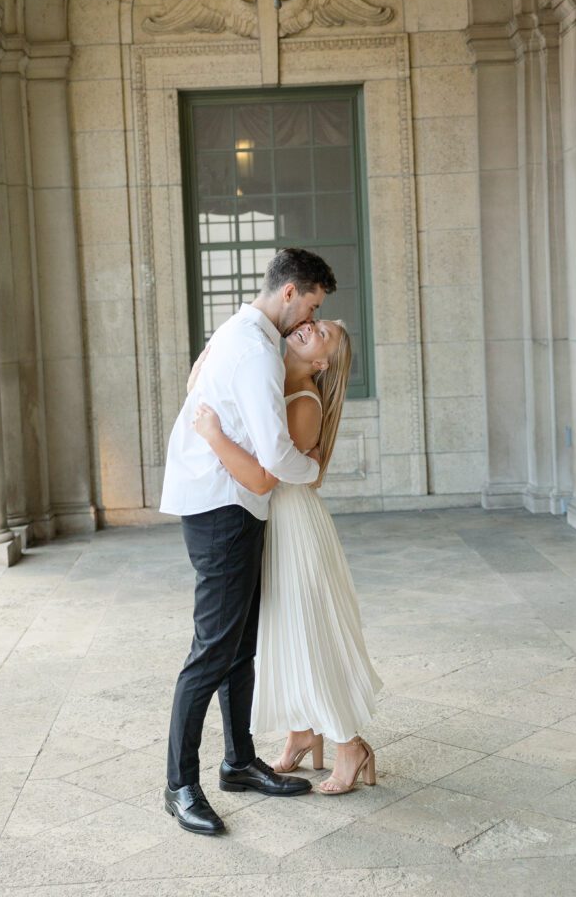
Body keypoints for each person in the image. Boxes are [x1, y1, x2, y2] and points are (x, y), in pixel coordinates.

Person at [160, 248, 337, 835]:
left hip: (235, 503)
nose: (310, 317)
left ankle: (238, 762)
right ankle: (180, 786)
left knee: (239, 648)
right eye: (311, 303)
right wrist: (314, 471)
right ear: (290, 293)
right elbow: (276, 458)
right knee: (211, 650)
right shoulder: (257, 350)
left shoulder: (238, 331)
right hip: (222, 507)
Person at [193, 317, 382, 797]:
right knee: (285, 631)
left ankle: (348, 744)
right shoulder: (275, 381)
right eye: (317, 322)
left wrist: (215, 435)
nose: (312, 327)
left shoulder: (303, 403)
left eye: (324, 333)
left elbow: (266, 473)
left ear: (321, 362)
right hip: (276, 525)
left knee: (310, 632)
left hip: (295, 527)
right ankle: (303, 732)